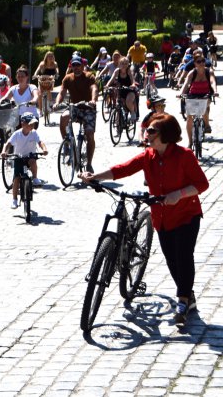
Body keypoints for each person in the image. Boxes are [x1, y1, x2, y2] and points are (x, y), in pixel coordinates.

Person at [80, 113, 209, 324]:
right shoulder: (148, 155)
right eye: (147, 129)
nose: (146, 133)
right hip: (162, 216)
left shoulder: (184, 155)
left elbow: (202, 184)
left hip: (186, 215)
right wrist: (95, 177)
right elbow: (123, 169)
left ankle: (183, 300)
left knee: (183, 256)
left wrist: (179, 194)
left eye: (151, 130)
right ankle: (188, 293)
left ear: (165, 135)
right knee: (171, 259)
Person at [53, 56, 98, 172]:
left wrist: (93, 100)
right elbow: (62, 92)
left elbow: (94, 88)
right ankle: (67, 144)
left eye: (78, 65)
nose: (76, 68)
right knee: (63, 117)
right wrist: (57, 103)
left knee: (89, 134)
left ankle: (89, 163)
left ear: (83, 66)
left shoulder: (89, 76)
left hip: (88, 107)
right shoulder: (68, 78)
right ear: (71, 67)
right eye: (74, 65)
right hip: (75, 107)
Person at [1, 113, 48, 209]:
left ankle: (35, 178)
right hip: (19, 157)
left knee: (33, 162)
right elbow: (8, 144)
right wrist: (4, 151)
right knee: (17, 179)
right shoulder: (17, 134)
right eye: (30, 124)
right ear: (23, 123)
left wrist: (44, 149)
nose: (32, 126)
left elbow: (40, 142)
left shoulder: (34, 133)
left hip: (29, 157)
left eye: (33, 124)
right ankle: (14, 199)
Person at [179, 52, 218, 145]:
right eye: (199, 61)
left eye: (203, 61)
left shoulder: (209, 71)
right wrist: (181, 93)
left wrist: (215, 91)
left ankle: (206, 124)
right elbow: (186, 83)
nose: (201, 63)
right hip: (193, 94)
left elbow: (212, 82)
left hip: (205, 94)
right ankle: (190, 142)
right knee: (189, 117)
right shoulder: (192, 72)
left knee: (204, 108)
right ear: (195, 63)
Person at [106, 56, 139, 122]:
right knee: (118, 106)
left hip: (129, 90)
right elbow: (111, 79)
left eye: (126, 63)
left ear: (128, 64)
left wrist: (133, 84)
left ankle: (132, 112)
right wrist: (107, 85)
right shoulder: (117, 71)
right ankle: (118, 123)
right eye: (122, 63)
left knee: (128, 101)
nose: (124, 65)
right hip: (121, 90)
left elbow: (132, 79)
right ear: (119, 64)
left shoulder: (128, 71)